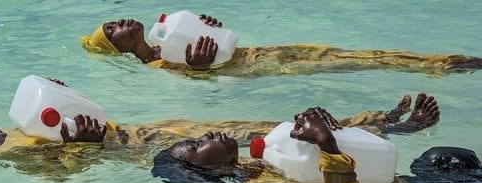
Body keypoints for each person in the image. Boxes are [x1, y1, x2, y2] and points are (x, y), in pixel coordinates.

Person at [152, 93, 441, 183]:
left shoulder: (260, 161)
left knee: (438, 160)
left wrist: (321, 125)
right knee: (441, 160)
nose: (208, 134)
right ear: (204, 167)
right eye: (198, 144)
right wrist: (327, 144)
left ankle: (396, 125)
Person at [81, 16, 482, 76]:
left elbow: (223, 42)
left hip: (261, 52)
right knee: (354, 64)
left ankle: (445, 62)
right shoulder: (158, 68)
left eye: (115, 19)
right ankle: (448, 65)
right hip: (260, 70)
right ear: (115, 48)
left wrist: (213, 26)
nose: (121, 22)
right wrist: (199, 70)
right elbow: (205, 88)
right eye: (112, 29)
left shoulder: (161, 38)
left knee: (350, 54)